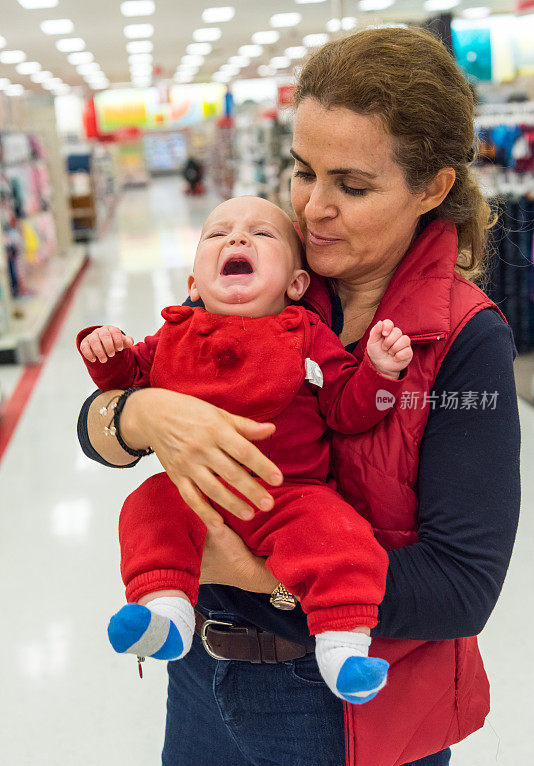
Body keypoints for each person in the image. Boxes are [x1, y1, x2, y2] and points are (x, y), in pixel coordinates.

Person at [77, 27, 521, 766]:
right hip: (203, 684)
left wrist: (245, 571)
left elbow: (461, 589)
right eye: (303, 170)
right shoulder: (261, 272)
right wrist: (141, 416)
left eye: (351, 185)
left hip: (356, 715)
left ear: (432, 187)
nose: (313, 208)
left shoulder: (464, 342)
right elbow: (102, 421)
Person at [76, 195, 414, 705]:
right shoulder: (172, 335)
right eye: (218, 234)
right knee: (147, 507)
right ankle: (166, 613)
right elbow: (128, 381)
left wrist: (381, 374)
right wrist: (109, 355)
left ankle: (343, 645)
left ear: (296, 284)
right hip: (194, 490)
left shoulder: (307, 336)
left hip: (291, 495)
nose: (237, 239)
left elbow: (349, 409)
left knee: (342, 535)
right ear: (194, 284)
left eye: (261, 233)